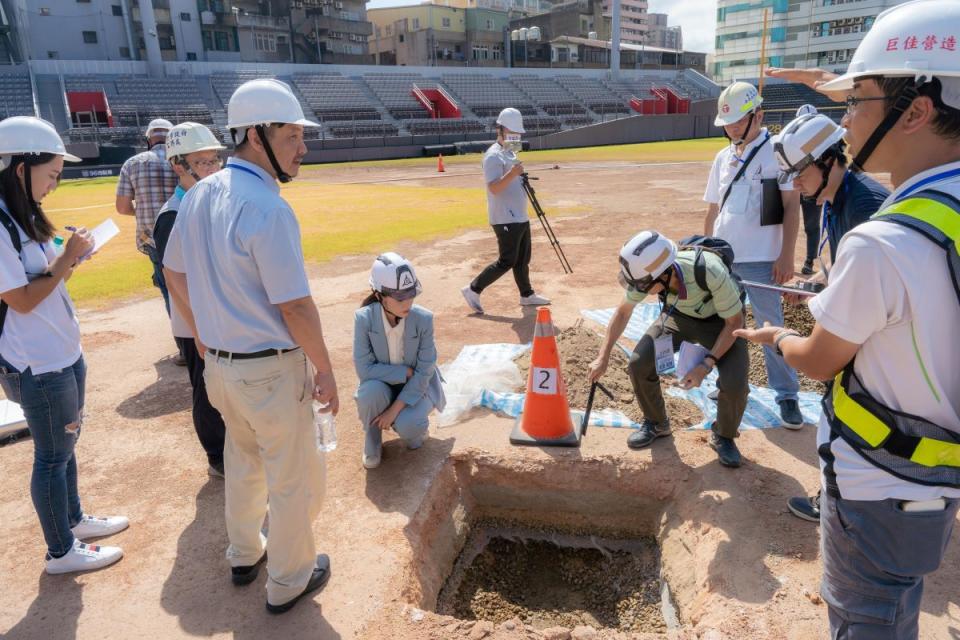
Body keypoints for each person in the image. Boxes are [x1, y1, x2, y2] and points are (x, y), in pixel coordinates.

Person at [737, 2, 960, 635]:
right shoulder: (938, 207)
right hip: (932, 468)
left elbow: (822, 358)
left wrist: (778, 336)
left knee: (867, 620)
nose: (846, 120)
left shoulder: (884, 234)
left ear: (914, 109)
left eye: (856, 100)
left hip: (879, 475)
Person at [163, 79, 335, 614]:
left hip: (221, 368)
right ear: (257, 136)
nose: (302, 146)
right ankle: (288, 580)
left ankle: (244, 553)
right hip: (268, 370)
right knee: (292, 479)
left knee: (242, 462)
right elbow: (295, 307)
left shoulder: (200, 194)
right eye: (292, 135)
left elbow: (173, 271)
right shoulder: (269, 208)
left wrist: (212, 335)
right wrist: (327, 369)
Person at [0, 116, 128, 574]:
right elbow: (21, 300)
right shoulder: (0, 225)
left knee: (65, 447)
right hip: (38, 363)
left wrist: (69, 257)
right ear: (21, 167)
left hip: (60, 354)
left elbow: (45, 278)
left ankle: (73, 521)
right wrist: (67, 259)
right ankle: (60, 551)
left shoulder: (20, 217)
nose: (54, 184)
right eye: (51, 174)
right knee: (52, 457)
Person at [588, 231, 750, 468]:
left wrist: (705, 365)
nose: (638, 290)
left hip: (721, 323)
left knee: (736, 383)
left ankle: (724, 435)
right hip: (677, 317)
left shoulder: (710, 270)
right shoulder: (647, 275)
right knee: (639, 362)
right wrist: (603, 356)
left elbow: (734, 323)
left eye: (642, 285)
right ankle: (656, 422)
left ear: (665, 273)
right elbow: (623, 312)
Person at [704, 82, 804, 428]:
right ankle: (729, 382)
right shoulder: (723, 157)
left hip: (762, 259)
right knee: (728, 325)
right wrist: (706, 249)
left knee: (769, 326)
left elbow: (792, 207)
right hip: (725, 260)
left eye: (737, 121)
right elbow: (714, 208)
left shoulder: (777, 151)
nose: (731, 129)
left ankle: (787, 395)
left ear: (757, 115)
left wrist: (786, 257)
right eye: (726, 124)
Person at [154, 122, 227, 478]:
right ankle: (218, 457)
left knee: (224, 385)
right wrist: (198, 329)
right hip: (193, 320)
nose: (213, 169)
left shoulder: (212, 200)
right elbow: (172, 277)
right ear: (178, 166)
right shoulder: (171, 215)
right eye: (203, 163)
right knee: (205, 388)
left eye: (215, 160)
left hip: (216, 313)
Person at [353, 252, 446, 470]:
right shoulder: (363, 318)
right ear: (379, 296)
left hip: (418, 388)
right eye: (400, 297)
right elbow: (364, 370)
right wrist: (403, 372)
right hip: (382, 387)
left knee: (409, 427)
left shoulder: (424, 318)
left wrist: (393, 411)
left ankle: (413, 426)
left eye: (411, 294)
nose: (408, 302)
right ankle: (372, 440)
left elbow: (424, 372)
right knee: (368, 393)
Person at [461, 107, 550, 315]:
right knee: (507, 260)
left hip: (519, 214)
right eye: (513, 133)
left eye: (518, 134)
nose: (517, 137)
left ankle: (526, 295)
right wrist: (512, 174)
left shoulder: (510, 153)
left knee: (522, 259)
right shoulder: (493, 157)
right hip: (504, 217)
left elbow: (512, 180)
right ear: (501, 130)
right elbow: (493, 187)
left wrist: (520, 179)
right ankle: (473, 289)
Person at [115, 118, 178, 315]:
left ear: (149, 140)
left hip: (152, 238)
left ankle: (182, 338)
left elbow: (123, 207)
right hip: (185, 233)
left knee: (170, 290)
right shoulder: (181, 161)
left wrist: (142, 210)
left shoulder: (132, 163)